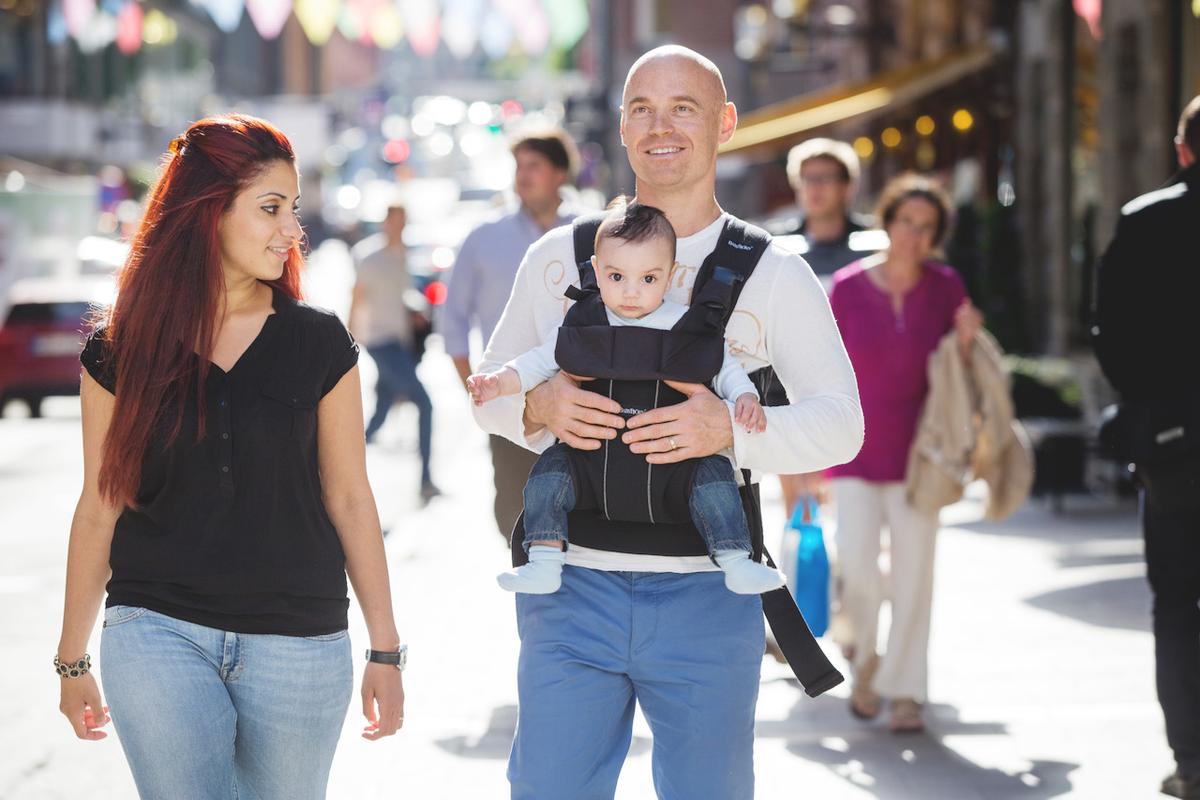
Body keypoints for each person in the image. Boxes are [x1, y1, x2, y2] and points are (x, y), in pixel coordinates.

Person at [472, 45, 863, 798]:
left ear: (724, 123)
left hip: (709, 593)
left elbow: (843, 424)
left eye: (684, 108)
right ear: (620, 126)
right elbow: (490, 394)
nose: (662, 126)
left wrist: (731, 433)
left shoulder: (775, 271)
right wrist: (537, 406)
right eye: (643, 108)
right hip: (570, 589)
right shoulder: (562, 257)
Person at [55, 115, 406, 799]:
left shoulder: (319, 344)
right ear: (206, 212)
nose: (291, 231)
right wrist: (73, 661)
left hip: (300, 639)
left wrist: (385, 649)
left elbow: (350, 498)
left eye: (293, 210)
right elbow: (101, 505)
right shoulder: (120, 349)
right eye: (270, 208)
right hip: (156, 628)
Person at [467, 201, 783, 596]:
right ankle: (544, 559)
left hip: (678, 465)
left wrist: (746, 399)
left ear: (670, 277)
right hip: (591, 461)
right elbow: (533, 364)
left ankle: (737, 560)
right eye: (617, 276)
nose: (632, 292)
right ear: (597, 271)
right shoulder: (584, 323)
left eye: (648, 279)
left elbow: (725, 369)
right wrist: (498, 383)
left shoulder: (686, 327)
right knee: (547, 476)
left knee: (716, 479)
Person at [826, 172, 982, 733]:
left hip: (922, 457)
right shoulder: (844, 288)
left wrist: (967, 342)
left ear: (936, 235)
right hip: (854, 452)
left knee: (916, 574)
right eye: (906, 222)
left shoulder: (946, 287)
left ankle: (909, 689)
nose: (914, 235)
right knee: (861, 573)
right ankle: (865, 663)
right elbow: (818, 372)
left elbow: (962, 378)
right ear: (886, 221)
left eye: (927, 228)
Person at [1093, 95, 1200, 800]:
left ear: (1183, 149)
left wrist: (1148, 408)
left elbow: (1110, 334)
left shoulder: (1144, 221)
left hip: (1174, 445)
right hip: (1171, 438)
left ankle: (1191, 760)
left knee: (1177, 603)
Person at [441, 130, 582, 538]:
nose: (522, 176)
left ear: (559, 172)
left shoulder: (594, 231)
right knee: (515, 514)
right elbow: (452, 320)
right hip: (512, 403)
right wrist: (477, 392)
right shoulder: (484, 238)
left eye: (533, 165)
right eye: (518, 166)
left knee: (582, 514)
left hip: (586, 396)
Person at [350, 201, 439, 503]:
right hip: (379, 342)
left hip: (398, 342)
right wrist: (348, 341)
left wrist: (417, 311)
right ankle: (426, 480)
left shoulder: (401, 255)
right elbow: (357, 297)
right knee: (425, 405)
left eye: (403, 222)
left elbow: (403, 294)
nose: (398, 227)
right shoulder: (369, 257)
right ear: (385, 222)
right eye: (394, 221)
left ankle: (332, 467)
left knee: (378, 417)